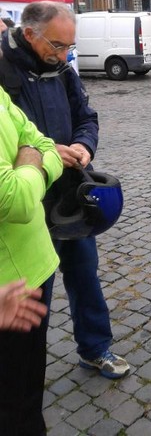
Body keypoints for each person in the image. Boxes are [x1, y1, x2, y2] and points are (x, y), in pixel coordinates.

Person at [0, 1, 130, 379]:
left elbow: (86, 116)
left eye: (69, 48)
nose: (64, 55)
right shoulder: (4, 72)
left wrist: (84, 145)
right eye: (58, 46)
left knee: (85, 275)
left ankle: (95, 348)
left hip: (71, 194)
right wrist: (42, 155)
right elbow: (20, 144)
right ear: (29, 35)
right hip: (27, 206)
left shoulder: (62, 69)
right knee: (31, 297)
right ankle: (23, 380)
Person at [0, 83, 63, 435]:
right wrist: (36, 168)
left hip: (35, 267)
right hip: (6, 291)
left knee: (28, 401)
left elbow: (44, 144)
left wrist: (33, 162)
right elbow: (16, 201)